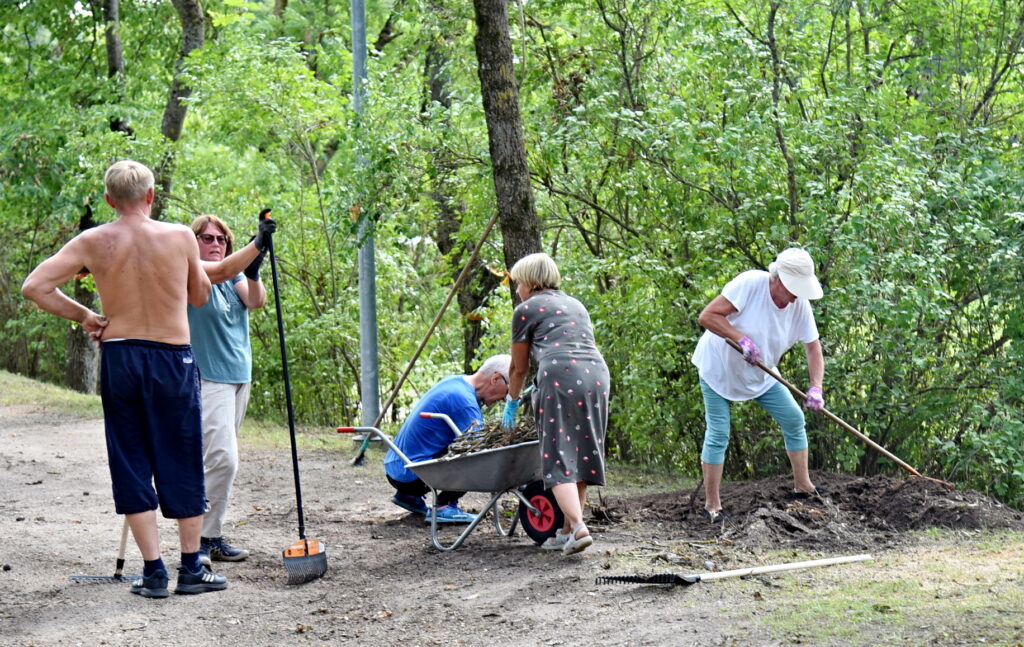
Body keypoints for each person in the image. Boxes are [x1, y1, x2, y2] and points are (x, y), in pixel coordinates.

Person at [21, 160, 268, 598]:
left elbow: (35, 287)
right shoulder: (177, 237)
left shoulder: (92, 241)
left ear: (109, 200)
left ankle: (153, 572)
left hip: (120, 356)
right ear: (152, 196)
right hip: (172, 357)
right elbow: (199, 293)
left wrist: (86, 316)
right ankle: (191, 568)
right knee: (182, 456)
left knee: (131, 459)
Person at [691, 247, 826, 523]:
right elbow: (707, 316)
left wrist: (816, 387)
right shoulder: (750, 284)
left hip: (762, 375)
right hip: (719, 370)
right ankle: (712, 506)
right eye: (791, 290)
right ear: (776, 279)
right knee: (719, 433)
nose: (793, 298)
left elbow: (813, 348)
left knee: (794, 418)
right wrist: (740, 338)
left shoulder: (799, 305)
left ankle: (803, 486)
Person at [502, 253, 611, 556]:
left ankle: (578, 527)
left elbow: (518, 368)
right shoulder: (576, 304)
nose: (517, 289)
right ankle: (565, 531)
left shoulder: (525, 310)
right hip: (597, 377)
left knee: (558, 453)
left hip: (560, 376)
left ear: (531, 282)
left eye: (519, 282)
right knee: (583, 451)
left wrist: (511, 402)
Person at [187, 213, 274, 566]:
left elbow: (256, 301)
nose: (215, 244)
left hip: (240, 376)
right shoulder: (191, 272)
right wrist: (257, 245)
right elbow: (217, 273)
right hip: (209, 377)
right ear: (193, 242)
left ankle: (212, 535)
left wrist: (253, 272)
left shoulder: (232, 272)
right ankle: (200, 539)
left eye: (221, 240)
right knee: (223, 458)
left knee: (220, 459)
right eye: (207, 238)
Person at [383, 355, 512, 524]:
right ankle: (445, 506)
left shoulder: (455, 382)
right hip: (412, 474)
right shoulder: (464, 402)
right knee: (476, 458)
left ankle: (408, 497)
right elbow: (482, 450)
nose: (504, 399)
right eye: (508, 391)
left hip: (397, 467)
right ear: (495, 379)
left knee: (458, 442)